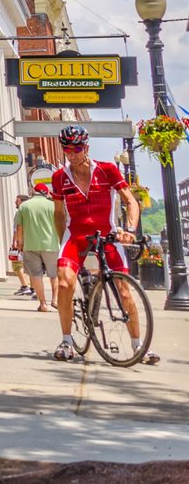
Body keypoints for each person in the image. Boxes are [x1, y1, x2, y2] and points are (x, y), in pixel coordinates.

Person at [50, 125, 158, 363]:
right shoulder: (59, 177)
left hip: (106, 234)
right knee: (65, 282)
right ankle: (67, 341)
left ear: (86, 147)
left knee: (123, 290)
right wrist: (62, 242)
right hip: (75, 235)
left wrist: (129, 230)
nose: (72, 153)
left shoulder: (108, 170)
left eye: (77, 148)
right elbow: (59, 214)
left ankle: (139, 346)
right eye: (67, 149)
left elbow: (130, 201)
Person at [13, 183, 59, 312]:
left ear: (34, 191)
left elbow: (19, 227)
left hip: (30, 244)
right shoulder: (53, 205)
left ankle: (43, 303)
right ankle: (55, 300)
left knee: (35, 275)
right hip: (51, 244)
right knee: (54, 274)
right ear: (46, 193)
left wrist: (20, 243)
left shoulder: (24, 206)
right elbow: (60, 224)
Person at [9, 195, 33, 296]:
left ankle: (25, 286)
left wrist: (15, 242)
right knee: (31, 266)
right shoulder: (29, 212)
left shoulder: (20, 213)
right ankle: (32, 287)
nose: (15, 202)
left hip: (20, 242)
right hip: (29, 241)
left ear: (22, 202)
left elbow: (17, 229)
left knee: (17, 264)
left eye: (17, 201)